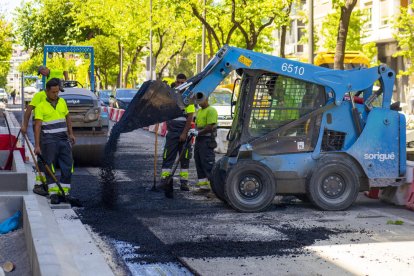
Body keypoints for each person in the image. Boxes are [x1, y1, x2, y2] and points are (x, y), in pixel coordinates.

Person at [34, 78, 76, 204]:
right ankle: (53, 193)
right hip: (48, 140)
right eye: (53, 92)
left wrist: (71, 133)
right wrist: (37, 145)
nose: (56, 94)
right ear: (47, 91)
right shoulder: (40, 106)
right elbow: (37, 126)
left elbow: (68, 117)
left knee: (68, 165)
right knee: (49, 167)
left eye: (57, 92)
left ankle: (65, 191)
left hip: (63, 139)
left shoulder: (62, 101)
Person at [160, 73, 195, 197]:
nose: (180, 84)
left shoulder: (188, 99)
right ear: (175, 82)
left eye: (182, 83)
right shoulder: (171, 98)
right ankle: (165, 181)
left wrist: (184, 133)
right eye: (178, 82)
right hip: (172, 133)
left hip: (182, 133)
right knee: (168, 157)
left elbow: (190, 117)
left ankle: (184, 183)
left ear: (186, 84)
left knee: (184, 158)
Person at [190, 98, 218, 194]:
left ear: (206, 99)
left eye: (200, 100)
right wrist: (194, 131)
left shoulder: (211, 110)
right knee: (199, 163)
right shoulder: (200, 111)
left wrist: (198, 132)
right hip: (200, 140)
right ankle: (204, 187)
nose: (199, 102)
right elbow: (197, 125)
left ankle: (215, 190)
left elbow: (210, 127)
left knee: (208, 164)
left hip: (207, 140)